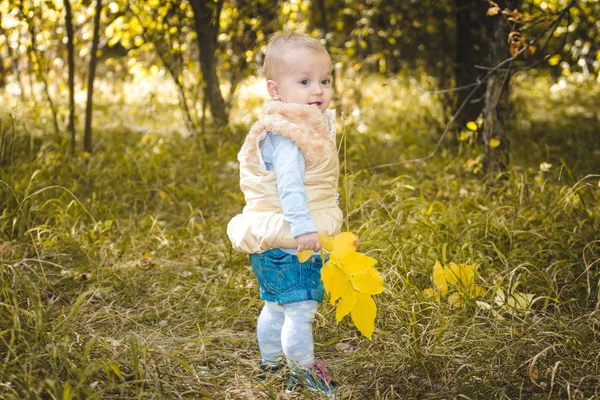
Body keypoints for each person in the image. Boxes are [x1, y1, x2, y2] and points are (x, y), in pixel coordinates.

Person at [227, 31, 343, 396]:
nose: (318, 90)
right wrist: (304, 228)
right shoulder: (291, 134)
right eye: (305, 81)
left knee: (276, 305)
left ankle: (271, 364)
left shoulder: (287, 125)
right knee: (301, 308)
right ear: (276, 90)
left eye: (324, 80)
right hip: (292, 236)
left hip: (269, 237)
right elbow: (290, 187)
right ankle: (303, 370)